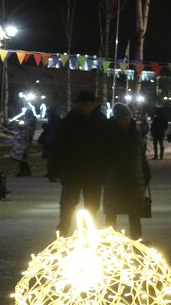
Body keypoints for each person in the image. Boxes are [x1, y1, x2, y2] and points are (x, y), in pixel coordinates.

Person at [47, 91, 107, 233]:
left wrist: (105, 168)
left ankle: (88, 232)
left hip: (94, 172)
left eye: (86, 104)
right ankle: (63, 231)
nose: (82, 107)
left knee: (92, 205)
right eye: (80, 104)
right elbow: (57, 146)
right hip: (72, 171)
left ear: (93, 105)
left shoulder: (101, 122)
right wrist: (53, 169)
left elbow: (108, 147)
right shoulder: (69, 121)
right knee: (67, 203)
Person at [102, 103, 151, 240]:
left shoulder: (135, 135)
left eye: (127, 117)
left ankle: (136, 242)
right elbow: (103, 158)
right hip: (114, 181)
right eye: (122, 118)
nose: (126, 120)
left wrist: (146, 173)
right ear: (116, 118)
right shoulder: (109, 134)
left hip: (133, 180)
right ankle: (108, 244)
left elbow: (141, 157)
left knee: (134, 214)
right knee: (112, 213)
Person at [10, 109, 37, 177]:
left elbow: (27, 129)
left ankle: (24, 171)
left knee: (22, 157)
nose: (25, 115)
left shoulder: (31, 121)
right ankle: (26, 171)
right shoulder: (28, 121)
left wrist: (22, 127)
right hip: (22, 141)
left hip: (26, 141)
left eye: (26, 113)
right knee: (20, 157)